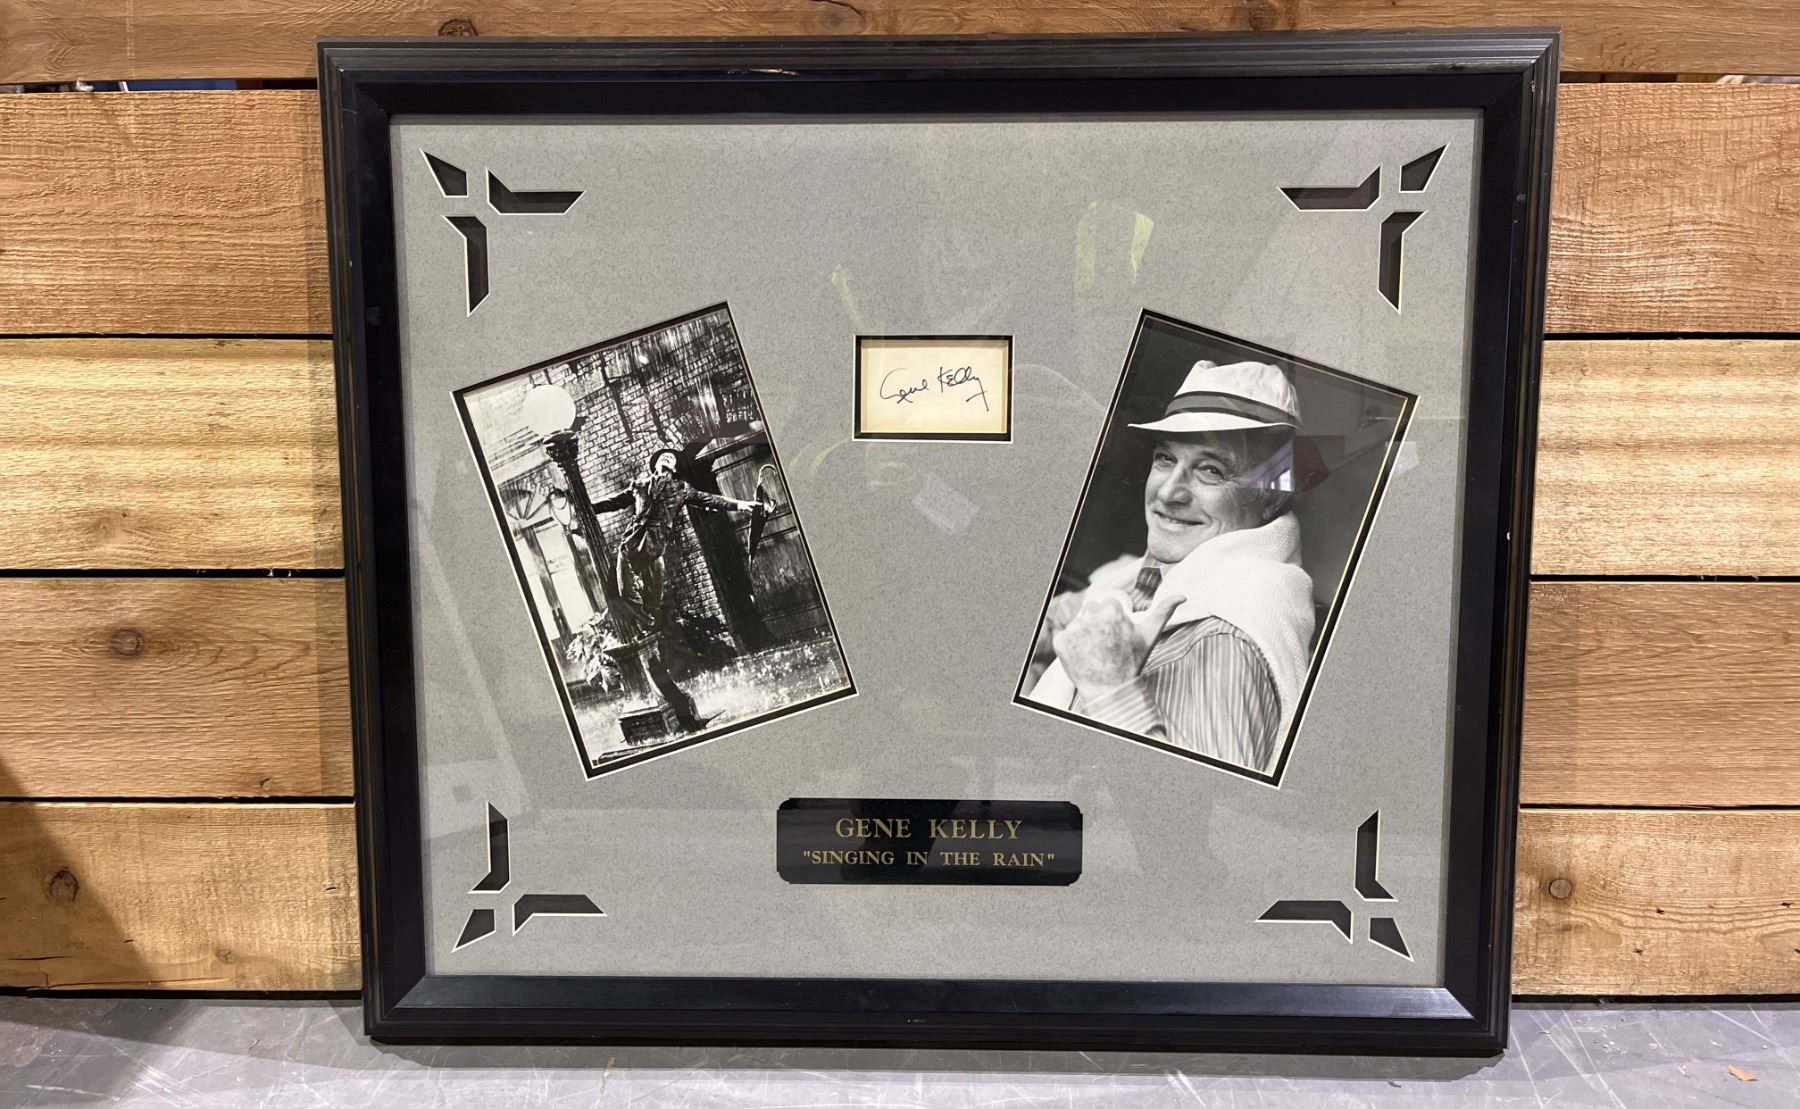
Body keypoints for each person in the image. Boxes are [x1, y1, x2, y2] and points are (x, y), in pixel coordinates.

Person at [1026, 360, 1315, 774]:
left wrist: (1111, 692)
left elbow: (1194, 806)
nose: (1168, 492)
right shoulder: (1161, 577)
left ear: (1272, 495)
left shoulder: (1223, 640)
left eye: (1211, 470)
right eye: (1165, 458)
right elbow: (1072, 616)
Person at [588, 447, 762, 729]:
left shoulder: (681, 488)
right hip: (631, 549)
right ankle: (651, 671)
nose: (667, 458)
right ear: (654, 464)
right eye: (663, 457)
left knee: (652, 615)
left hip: (654, 553)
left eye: (672, 458)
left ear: (676, 468)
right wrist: (584, 509)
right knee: (629, 604)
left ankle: (677, 704)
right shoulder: (639, 485)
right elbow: (613, 503)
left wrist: (741, 505)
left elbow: (710, 500)